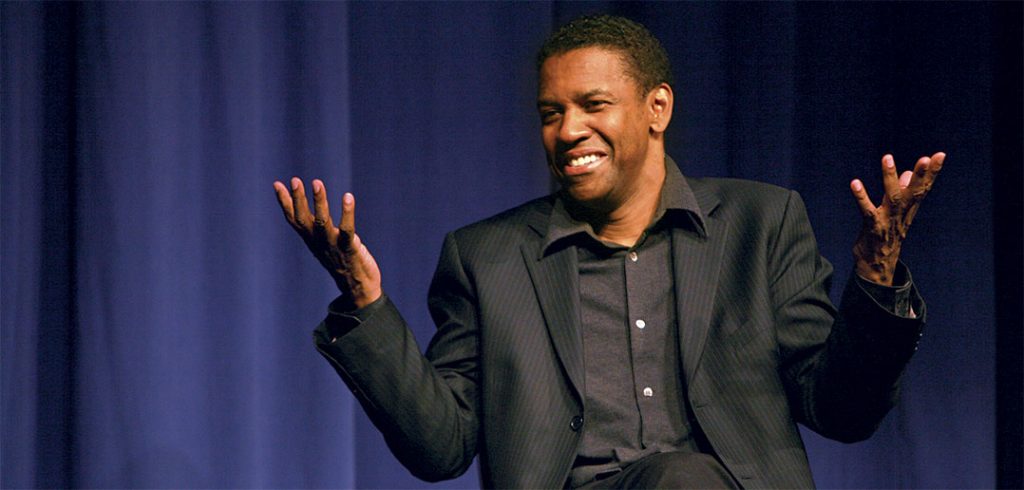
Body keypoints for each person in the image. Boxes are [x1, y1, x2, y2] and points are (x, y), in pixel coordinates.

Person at [273, 15, 944, 489]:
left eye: (592, 104)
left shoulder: (759, 225)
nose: (568, 130)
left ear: (657, 108)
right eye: (549, 112)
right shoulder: (489, 258)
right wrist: (366, 306)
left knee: (684, 480)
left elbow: (842, 410)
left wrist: (876, 280)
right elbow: (440, 447)